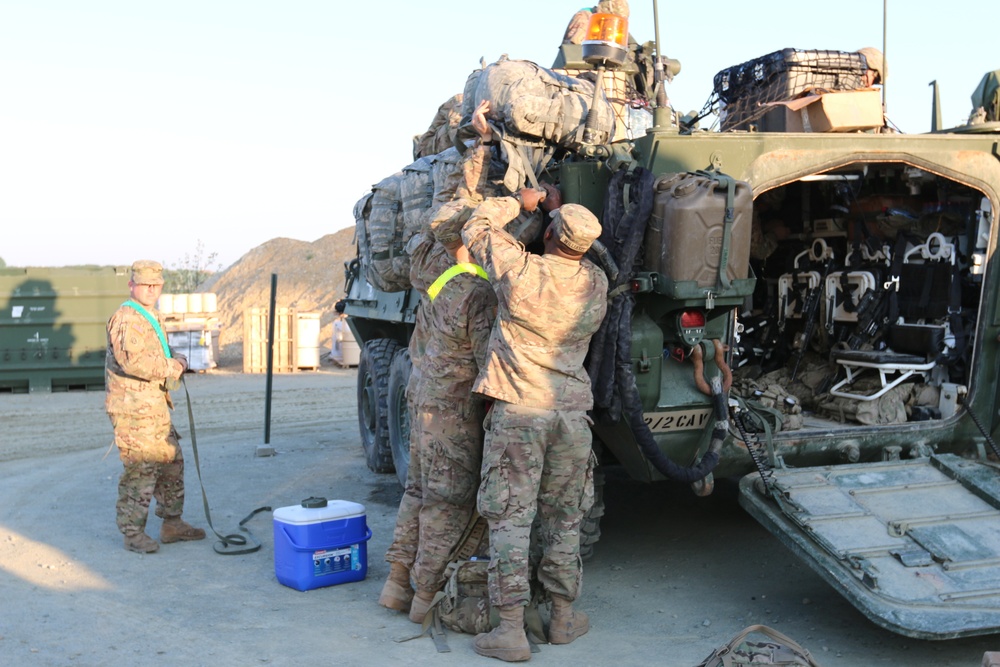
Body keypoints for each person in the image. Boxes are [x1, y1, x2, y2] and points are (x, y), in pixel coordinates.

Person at [462, 184, 608, 661]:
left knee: (510, 519)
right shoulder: (596, 284)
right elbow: (585, 256)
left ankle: (509, 629)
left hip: (520, 413)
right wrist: (556, 216)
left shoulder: (520, 271)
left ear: (547, 234)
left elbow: (476, 227)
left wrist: (520, 203)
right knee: (565, 520)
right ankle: (563, 619)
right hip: (571, 418)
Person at [379, 102, 496, 615]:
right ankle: (424, 597)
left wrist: (479, 145)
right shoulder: (474, 293)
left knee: (418, 494)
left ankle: (396, 583)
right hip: (453, 413)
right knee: (448, 505)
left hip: (421, 403)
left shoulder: (429, 263)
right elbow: (489, 364)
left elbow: (457, 205)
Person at [105, 260, 205, 554]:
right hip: (133, 410)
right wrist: (171, 367)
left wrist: (178, 359)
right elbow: (132, 361)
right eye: (145, 284)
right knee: (141, 470)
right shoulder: (126, 318)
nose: (150, 289)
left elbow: (160, 350)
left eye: (155, 285)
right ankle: (132, 533)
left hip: (154, 407)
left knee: (172, 463)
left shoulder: (152, 316)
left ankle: (172, 523)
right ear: (132, 285)